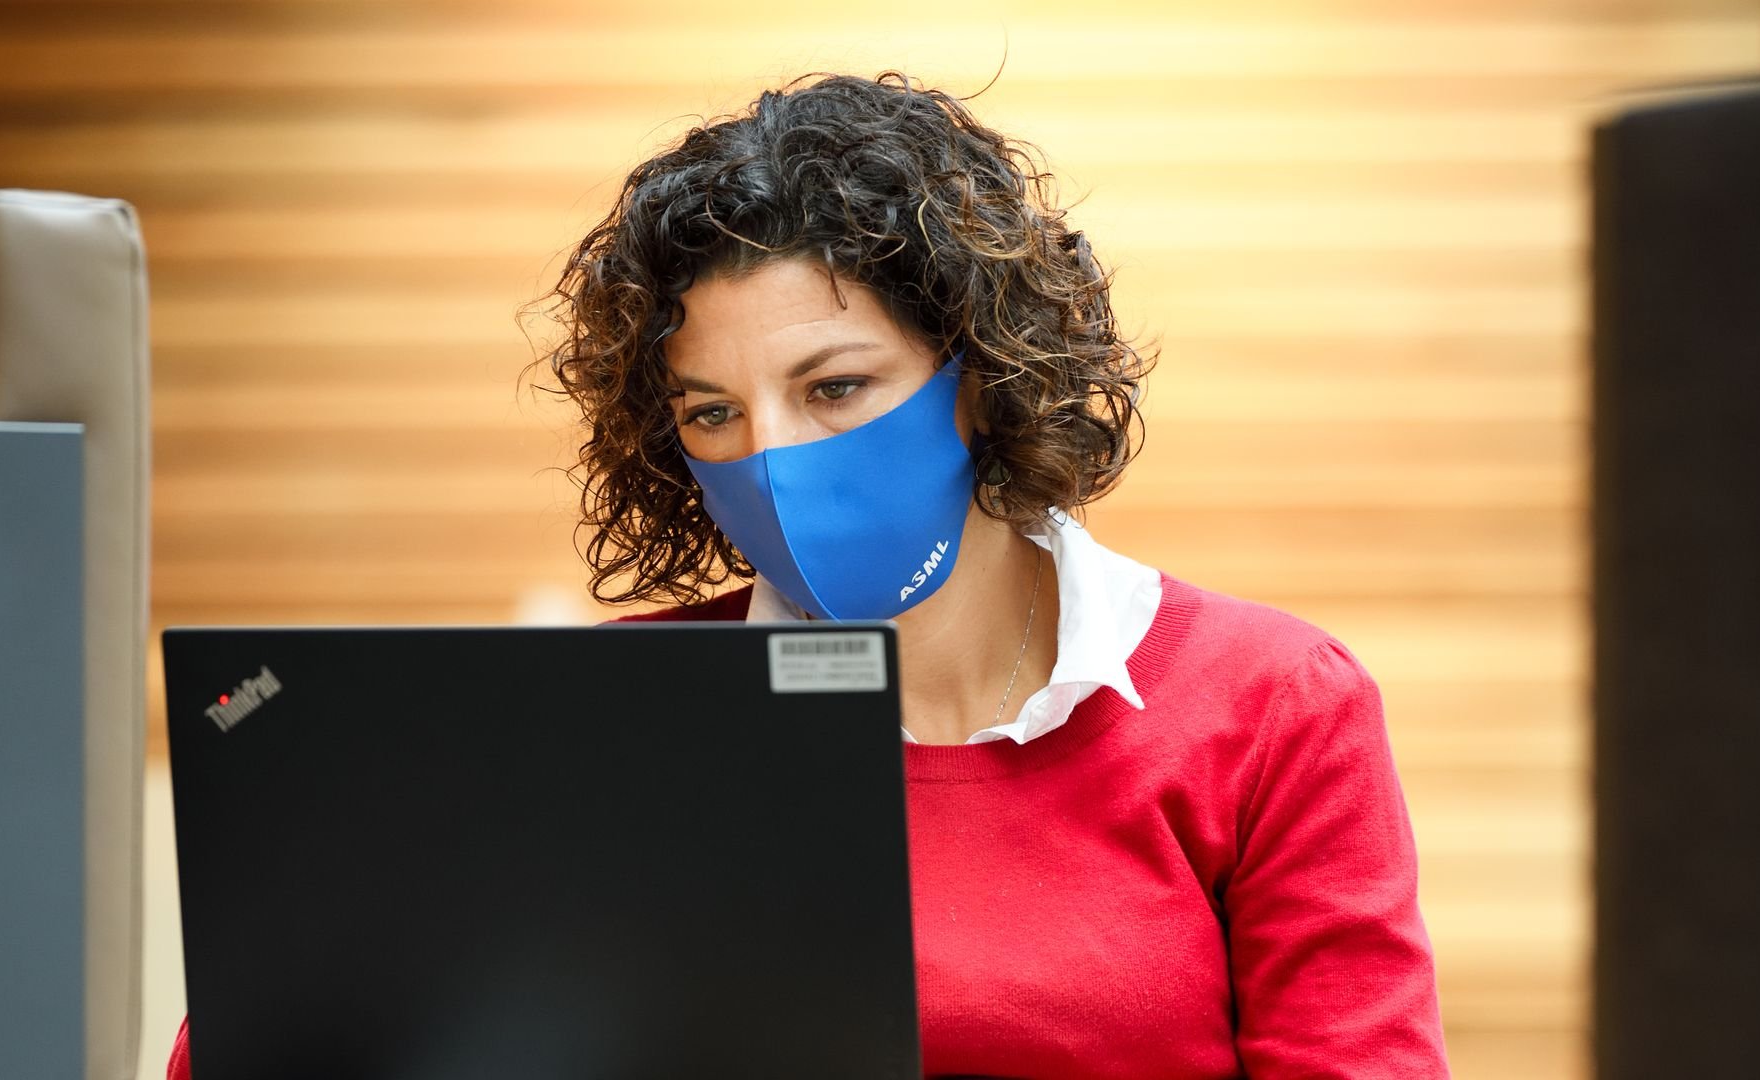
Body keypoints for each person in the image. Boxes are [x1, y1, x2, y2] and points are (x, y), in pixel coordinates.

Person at [167, 71, 1448, 1079]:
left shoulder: (1270, 706)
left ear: (982, 375)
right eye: (712, 412)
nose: (772, 460)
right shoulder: (599, 716)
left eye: (835, 389)